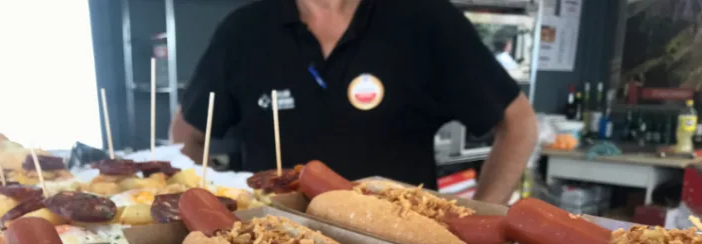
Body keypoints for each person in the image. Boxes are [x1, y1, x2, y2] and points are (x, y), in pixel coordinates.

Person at [171, 0, 537, 204]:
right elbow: (186, 134)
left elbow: (518, 124)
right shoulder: (244, 31)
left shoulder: (428, 21)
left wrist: (482, 217)